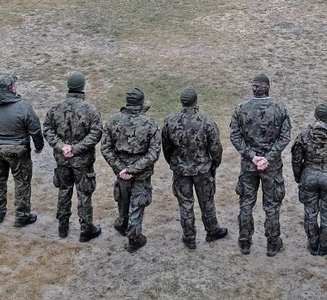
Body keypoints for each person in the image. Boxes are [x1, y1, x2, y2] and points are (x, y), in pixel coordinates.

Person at [229, 72, 292, 256]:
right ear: (268, 88)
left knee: (246, 203)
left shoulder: (241, 109)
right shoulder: (279, 109)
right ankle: (273, 243)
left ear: (253, 88)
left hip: (249, 166)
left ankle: (245, 242)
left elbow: (235, 135)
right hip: (271, 167)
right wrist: (268, 157)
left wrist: (251, 156)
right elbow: (285, 136)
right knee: (271, 205)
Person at [162, 86, 228, 250]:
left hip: (181, 170)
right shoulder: (207, 122)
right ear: (196, 101)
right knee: (207, 202)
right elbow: (216, 149)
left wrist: (174, 163)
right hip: (203, 170)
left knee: (185, 204)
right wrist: (214, 165)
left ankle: (189, 237)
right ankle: (212, 230)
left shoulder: (171, 121)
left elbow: (166, 147)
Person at [41, 72, 103, 242]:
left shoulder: (55, 109)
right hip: (82, 162)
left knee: (64, 191)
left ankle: (63, 227)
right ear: (82, 87)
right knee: (84, 194)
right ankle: (86, 229)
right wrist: (76, 149)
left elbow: (47, 129)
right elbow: (96, 134)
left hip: (62, 160)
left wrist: (62, 147)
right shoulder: (90, 110)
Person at [0, 74, 43, 227]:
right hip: (19, 151)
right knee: (22, 183)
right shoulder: (24, 108)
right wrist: (38, 146)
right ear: (12, 88)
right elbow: (35, 130)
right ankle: (22, 215)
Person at [101, 88, 162, 252]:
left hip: (121, 173)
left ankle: (122, 224)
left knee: (123, 199)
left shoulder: (112, 122)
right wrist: (133, 169)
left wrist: (122, 169)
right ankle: (134, 238)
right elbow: (154, 152)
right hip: (141, 174)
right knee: (137, 204)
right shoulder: (150, 124)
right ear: (141, 102)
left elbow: (106, 148)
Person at [291, 103, 327, 256]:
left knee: (310, 213)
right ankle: (324, 246)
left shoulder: (303, 135)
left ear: (315, 116)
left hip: (309, 177)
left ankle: (312, 245)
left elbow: (296, 159)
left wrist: (298, 177)